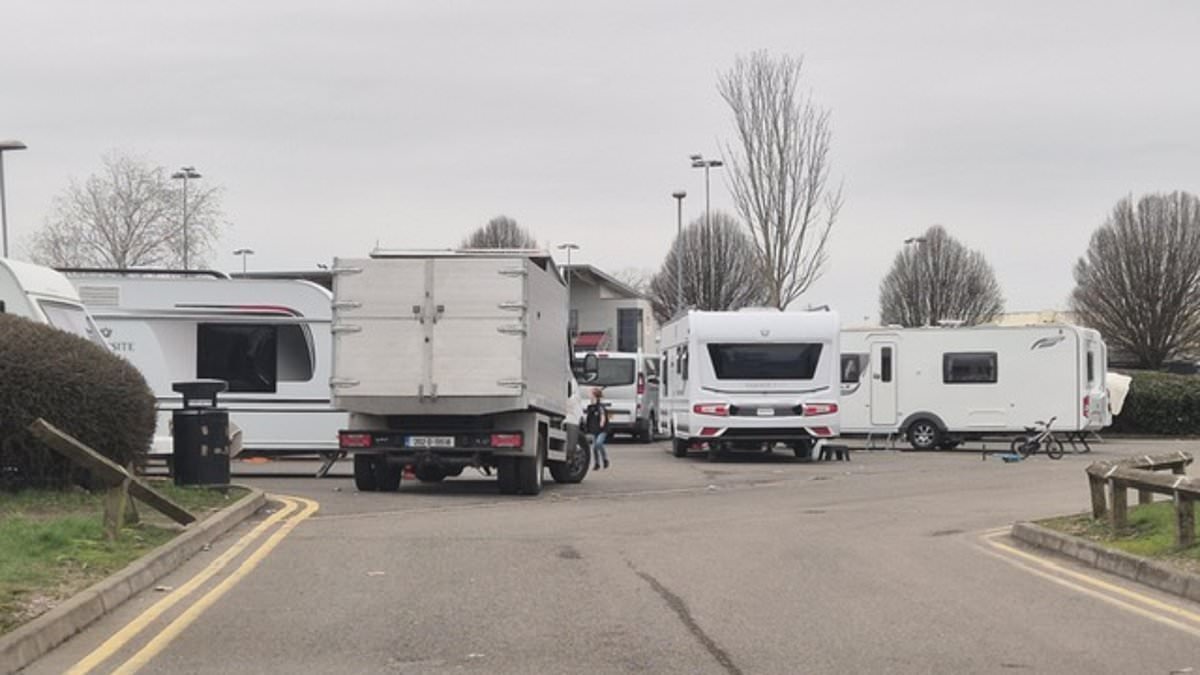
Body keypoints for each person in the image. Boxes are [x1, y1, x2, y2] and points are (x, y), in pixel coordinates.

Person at [585, 387, 610, 470]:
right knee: (595, 447)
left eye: (591, 394)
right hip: (594, 430)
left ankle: (605, 459)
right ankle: (597, 463)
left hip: (602, 430)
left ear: (595, 396)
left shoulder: (600, 407)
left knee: (598, 444)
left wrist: (602, 422)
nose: (589, 395)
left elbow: (603, 415)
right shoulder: (590, 407)